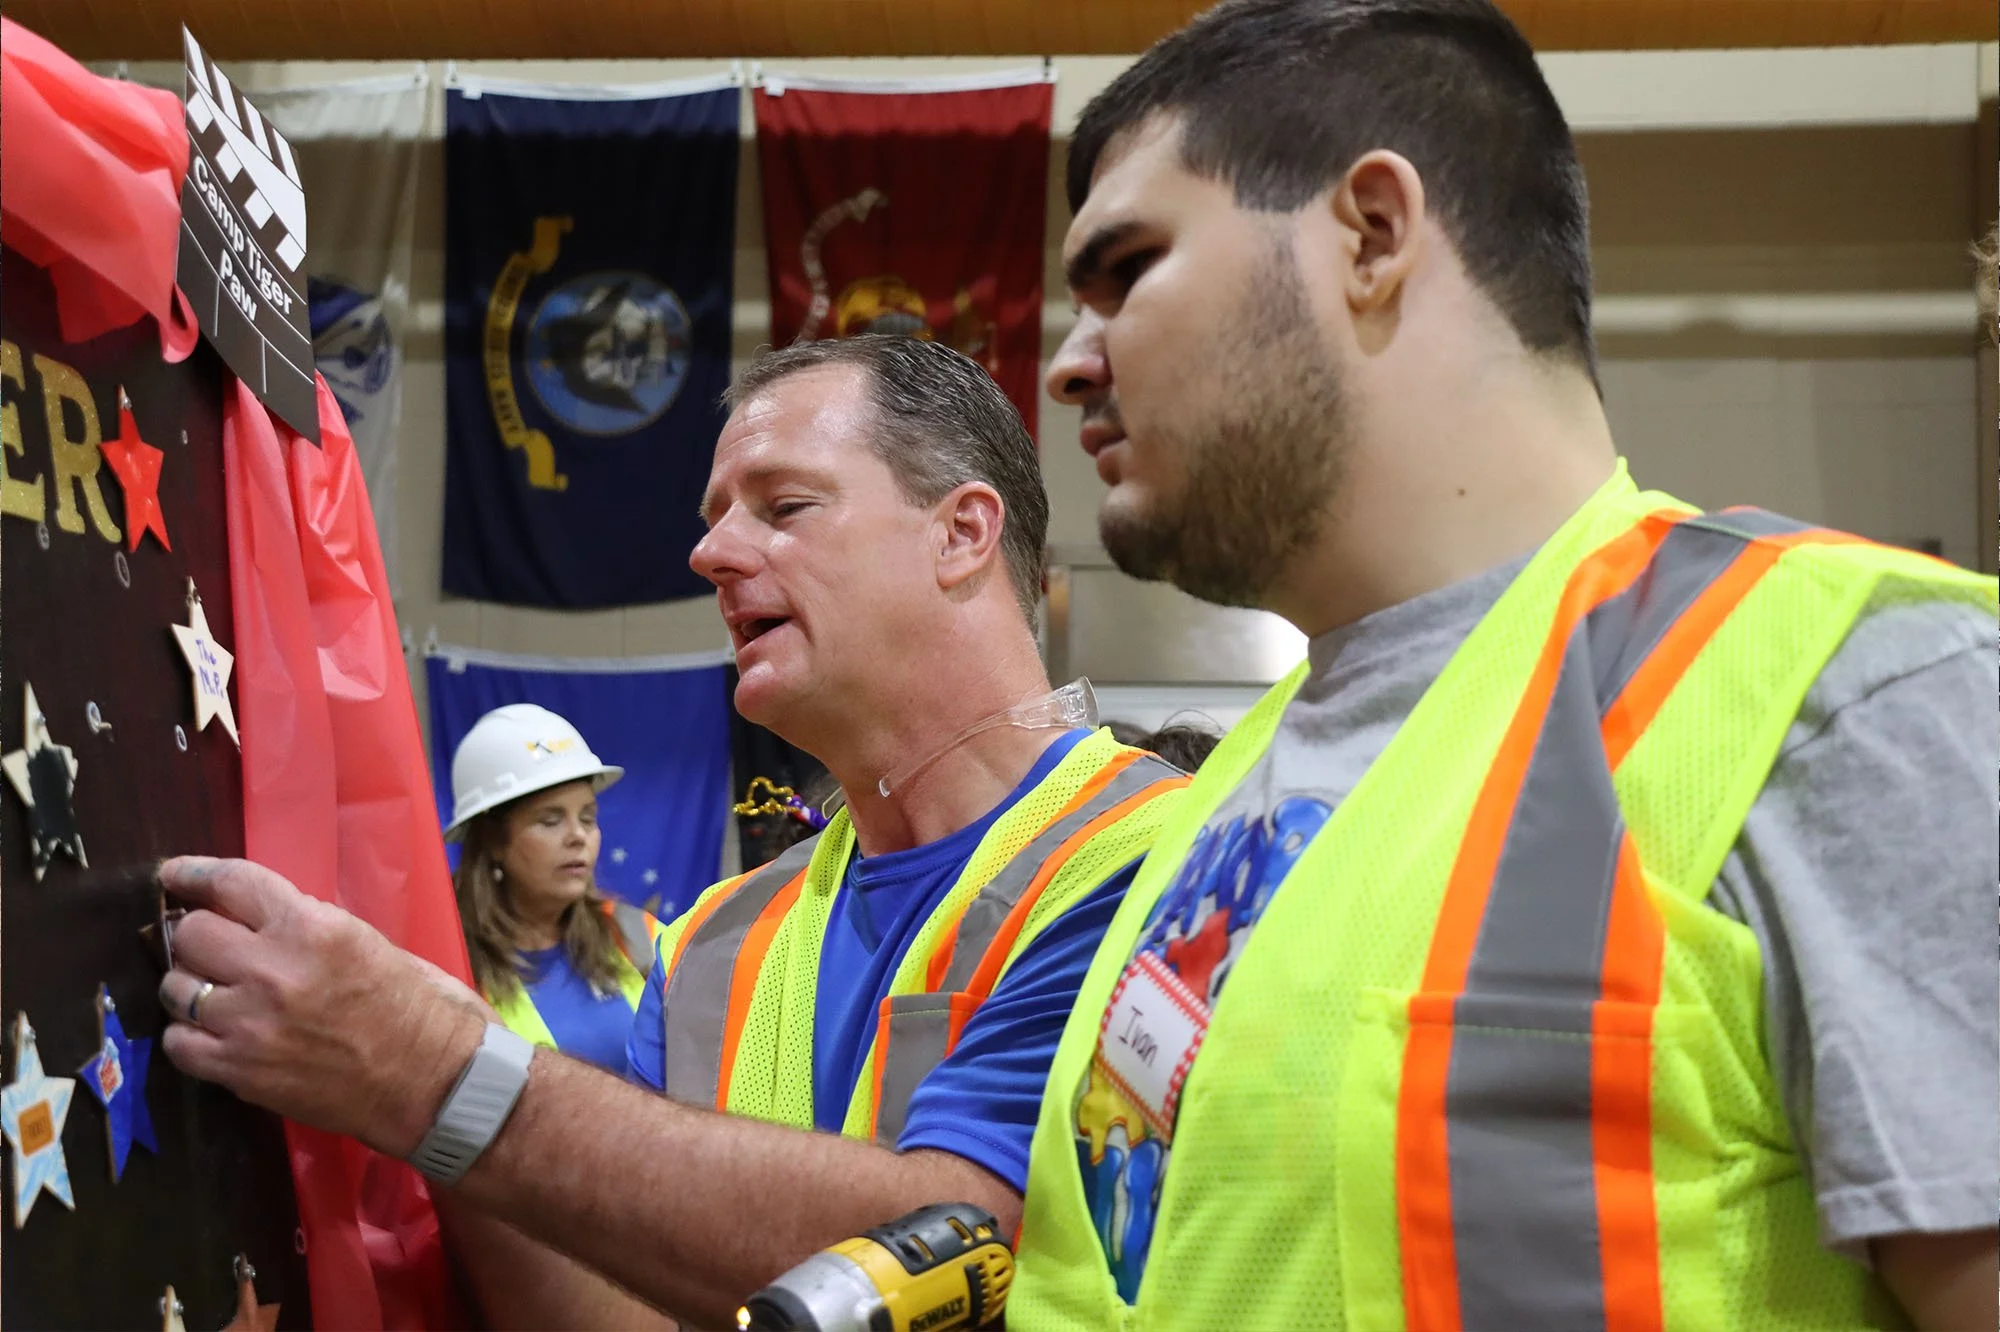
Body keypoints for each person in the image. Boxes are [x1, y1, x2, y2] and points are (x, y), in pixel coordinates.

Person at [1011, 2, 1998, 1329]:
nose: (1073, 364)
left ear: (1371, 231)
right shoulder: (1229, 792)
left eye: (1127, 267)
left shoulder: (1847, 687)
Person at [151, 335, 1187, 1330]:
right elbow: (639, 1312)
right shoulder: (710, 943)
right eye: (714, 517)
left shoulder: (1164, 863)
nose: (708, 552)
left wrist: (433, 1066)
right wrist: (411, 1108)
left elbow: (963, 1248)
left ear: (961, 534)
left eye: (783, 507)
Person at [443, 703, 663, 1072]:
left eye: (588, 818)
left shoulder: (634, 931)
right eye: (550, 820)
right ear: (494, 841)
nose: (578, 836)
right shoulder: (448, 961)